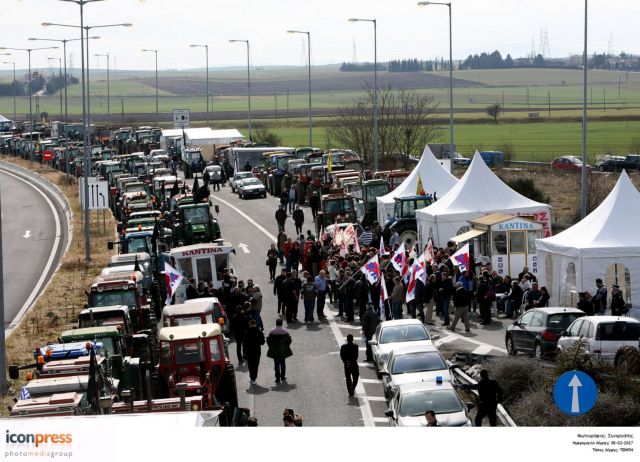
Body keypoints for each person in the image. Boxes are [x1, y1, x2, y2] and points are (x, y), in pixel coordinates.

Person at [267, 319, 293, 383]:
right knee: (283, 364)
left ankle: (277, 378)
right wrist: (286, 347)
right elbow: (289, 340)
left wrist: (271, 347)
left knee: (276, 365)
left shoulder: (272, 331)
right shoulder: (285, 331)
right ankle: (283, 377)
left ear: (276, 323)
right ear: (282, 323)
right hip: (283, 350)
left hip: (275, 351)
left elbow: (268, 340)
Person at [243, 319, 265, 384]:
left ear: (249, 324)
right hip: (257, 351)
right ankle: (254, 378)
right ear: (255, 324)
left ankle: (251, 377)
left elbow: (244, 343)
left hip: (249, 351)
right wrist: (259, 342)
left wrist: (244, 352)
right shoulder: (259, 331)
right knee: (255, 365)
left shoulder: (247, 332)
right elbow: (263, 342)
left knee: (250, 365)